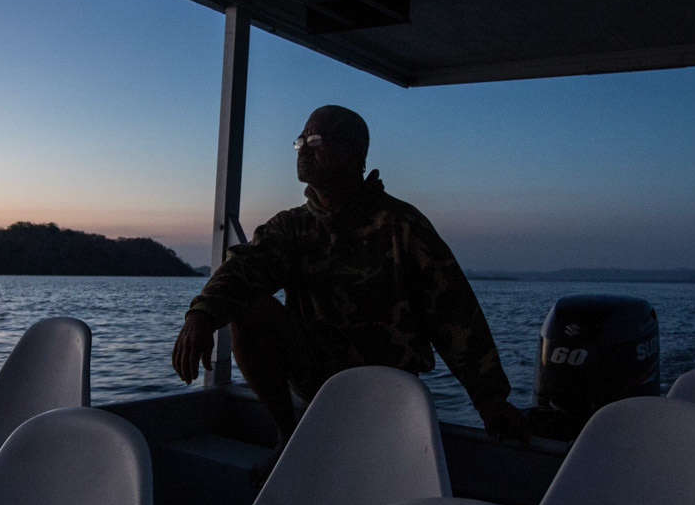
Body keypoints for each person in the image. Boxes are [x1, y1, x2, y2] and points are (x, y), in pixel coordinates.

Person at [172, 105, 528, 473]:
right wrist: (201, 314)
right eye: (300, 141)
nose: (304, 149)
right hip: (317, 375)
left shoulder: (401, 225)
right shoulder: (292, 228)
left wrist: (490, 400)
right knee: (248, 309)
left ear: (354, 154)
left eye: (316, 140)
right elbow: (246, 268)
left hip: (388, 388)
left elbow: (454, 311)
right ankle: (291, 437)